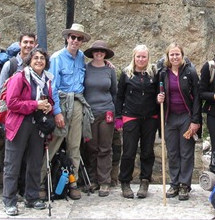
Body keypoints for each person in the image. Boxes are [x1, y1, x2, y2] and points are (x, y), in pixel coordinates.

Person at [41, 23, 94, 201]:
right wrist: (56, 112)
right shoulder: (56, 58)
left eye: (79, 38)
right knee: (55, 142)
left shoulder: (81, 58)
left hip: (77, 102)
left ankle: (73, 183)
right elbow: (52, 87)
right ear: (67, 38)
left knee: (74, 145)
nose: (76, 41)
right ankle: (41, 182)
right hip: (61, 103)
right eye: (73, 37)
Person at [2, 47, 53, 215]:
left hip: (36, 124)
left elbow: (48, 99)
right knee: (13, 162)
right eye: (36, 58)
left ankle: (31, 197)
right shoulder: (20, 77)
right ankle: (9, 200)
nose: (39, 61)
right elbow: (12, 103)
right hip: (19, 124)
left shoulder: (46, 80)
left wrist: (48, 105)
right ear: (29, 61)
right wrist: (35, 105)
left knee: (35, 162)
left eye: (42, 58)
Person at [157, 42, 201, 201]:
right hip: (169, 117)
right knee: (172, 152)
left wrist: (195, 120)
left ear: (182, 56)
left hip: (186, 116)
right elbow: (158, 93)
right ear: (168, 56)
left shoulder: (190, 72)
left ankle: (184, 185)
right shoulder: (162, 73)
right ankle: (174, 183)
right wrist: (158, 98)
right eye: (172, 54)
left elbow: (197, 96)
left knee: (186, 152)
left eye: (177, 54)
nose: (175, 57)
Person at [116, 44, 159, 199]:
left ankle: (145, 180)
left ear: (148, 58)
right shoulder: (126, 74)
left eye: (144, 57)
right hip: (131, 116)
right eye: (138, 56)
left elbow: (159, 92)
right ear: (134, 57)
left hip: (150, 117)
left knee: (147, 151)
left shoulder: (154, 74)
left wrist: (160, 98)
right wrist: (118, 118)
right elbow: (119, 96)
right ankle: (125, 182)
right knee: (129, 151)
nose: (141, 59)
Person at [83, 40, 118, 197]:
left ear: (105, 54)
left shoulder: (110, 71)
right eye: (96, 51)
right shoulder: (85, 69)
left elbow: (114, 92)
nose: (99, 53)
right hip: (90, 112)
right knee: (91, 147)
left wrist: (117, 115)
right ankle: (93, 180)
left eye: (102, 51)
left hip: (106, 112)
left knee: (105, 147)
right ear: (92, 53)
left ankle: (105, 181)